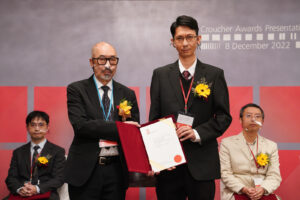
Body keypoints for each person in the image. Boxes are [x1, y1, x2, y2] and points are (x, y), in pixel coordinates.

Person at [149, 15, 232, 200]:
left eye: (190, 37)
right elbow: (153, 119)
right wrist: (157, 157)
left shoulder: (214, 74)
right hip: (168, 164)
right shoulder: (160, 75)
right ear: (172, 42)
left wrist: (197, 133)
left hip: (202, 164)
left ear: (198, 39)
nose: (185, 43)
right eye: (180, 38)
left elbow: (224, 116)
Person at [64, 42, 140, 200]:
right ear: (91, 62)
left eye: (112, 60)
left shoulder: (127, 93)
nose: (108, 65)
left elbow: (132, 132)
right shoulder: (77, 90)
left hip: (116, 171)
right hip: (85, 171)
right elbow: (81, 126)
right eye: (102, 60)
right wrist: (121, 128)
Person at [219, 103, 282, 200]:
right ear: (241, 120)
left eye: (257, 116)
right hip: (237, 191)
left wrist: (263, 189)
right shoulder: (227, 143)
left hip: (262, 192)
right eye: (248, 116)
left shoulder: (271, 145)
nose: (253, 119)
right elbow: (225, 174)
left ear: (262, 121)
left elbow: (274, 175)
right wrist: (244, 189)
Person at [5, 111, 66, 200]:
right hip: (22, 193)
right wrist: (20, 189)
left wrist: (36, 189)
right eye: (33, 125)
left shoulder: (57, 151)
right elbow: (11, 178)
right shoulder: (18, 152)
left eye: (41, 125)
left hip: (45, 193)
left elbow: (59, 178)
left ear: (47, 127)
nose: (37, 129)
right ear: (27, 127)